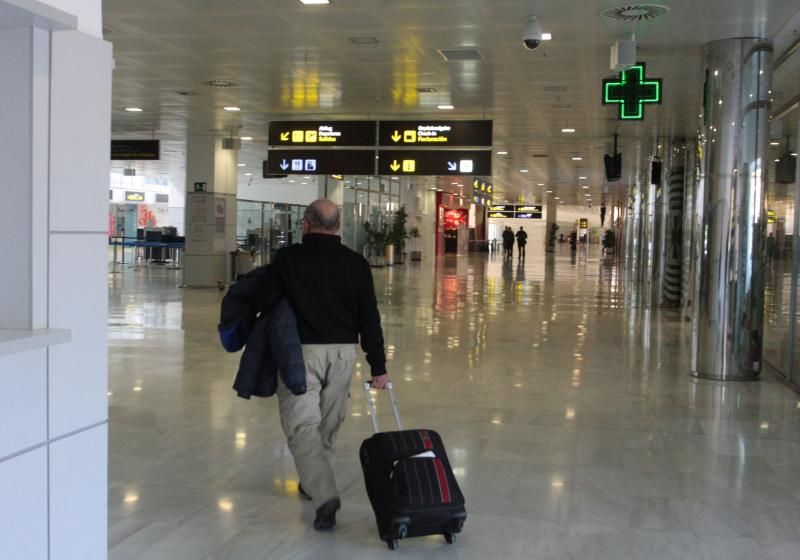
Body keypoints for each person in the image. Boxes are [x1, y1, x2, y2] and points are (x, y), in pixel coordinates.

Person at [225, 199, 389, 531]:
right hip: (343, 354)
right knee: (328, 422)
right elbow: (369, 317)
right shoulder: (356, 263)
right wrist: (378, 366)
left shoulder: (289, 259)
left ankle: (324, 493)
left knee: (303, 426)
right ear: (338, 226)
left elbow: (261, 299)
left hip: (300, 354)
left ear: (305, 224)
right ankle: (312, 482)